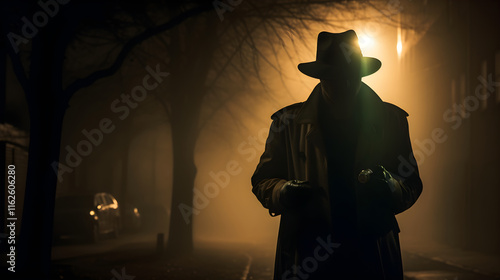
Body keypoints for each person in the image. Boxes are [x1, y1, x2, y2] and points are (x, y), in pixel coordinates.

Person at [251, 30, 423, 280]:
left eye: (349, 76)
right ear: (321, 77)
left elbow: (412, 184)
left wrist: (391, 186)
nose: (343, 84)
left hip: (369, 256)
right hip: (310, 255)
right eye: (334, 76)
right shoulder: (287, 123)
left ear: (360, 75)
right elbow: (262, 180)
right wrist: (282, 191)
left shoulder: (391, 121)